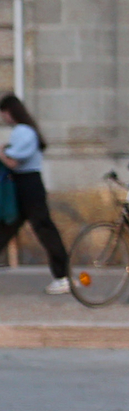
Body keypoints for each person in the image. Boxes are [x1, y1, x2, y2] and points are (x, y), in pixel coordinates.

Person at [0, 94, 72, 294]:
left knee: (42, 228)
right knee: (8, 227)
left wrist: (1, 152)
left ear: (10, 112)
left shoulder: (23, 131)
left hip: (28, 184)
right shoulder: (27, 131)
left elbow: (13, 162)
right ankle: (62, 274)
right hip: (26, 183)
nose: (4, 118)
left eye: (4, 113)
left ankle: (63, 275)